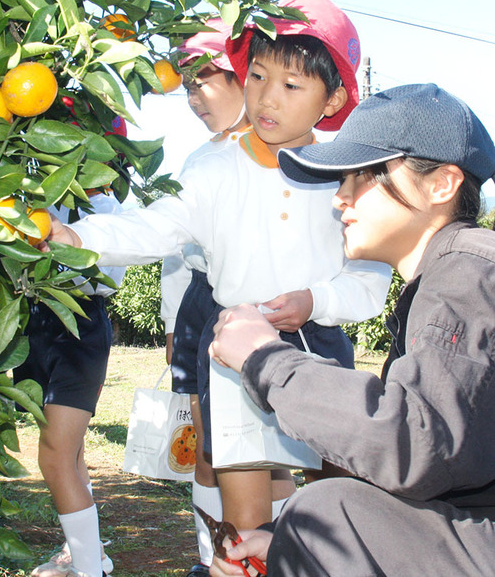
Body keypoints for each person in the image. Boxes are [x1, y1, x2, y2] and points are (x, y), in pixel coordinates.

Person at [46, 0, 391, 533]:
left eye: (291, 85)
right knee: (246, 519)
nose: (265, 98)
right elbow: (155, 226)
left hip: (319, 347)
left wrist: (316, 301)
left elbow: (371, 276)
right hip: (235, 350)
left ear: (333, 99)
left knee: (334, 506)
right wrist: (74, 235)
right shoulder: (214, 170)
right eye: (255, 76)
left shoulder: (345, 177)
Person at [209, 83, 495, 576]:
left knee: (322, 510)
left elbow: (412, 443)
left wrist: (265, 358)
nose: (340, 197)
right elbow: (448, 469)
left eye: (363, 176)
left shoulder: (466, 274)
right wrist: (284, 542)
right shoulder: (446, 277)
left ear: (442, 184)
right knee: (318, 521)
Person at [161, 19, 249, 577]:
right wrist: (174, 320)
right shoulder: (199, 159)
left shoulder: (265, 152)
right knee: (206, 447)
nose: (194, 98)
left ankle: (258, 555)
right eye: (188, 86)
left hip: (243, 302)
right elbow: (175, 245)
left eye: (206, 81)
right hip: (199, 300)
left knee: (256, 451)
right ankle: (208, 558)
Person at [18, 191, 126, 577]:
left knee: (54, 454)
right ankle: (87, 553)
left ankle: (88, 569)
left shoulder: (108, 207)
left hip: (79, 322)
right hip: (36, 322)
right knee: (70, 449)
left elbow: (105, 276)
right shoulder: (37, 198)